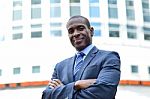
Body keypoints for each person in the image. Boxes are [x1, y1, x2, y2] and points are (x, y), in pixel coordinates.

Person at [42, 15, 121, 99]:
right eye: (71, 31)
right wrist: (77, 84)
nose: (75, 34)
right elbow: (46, 96)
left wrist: (63, 92)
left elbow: (104, 93)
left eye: (80, 28)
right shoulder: (60, 67)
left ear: (91, 31)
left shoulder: (109, 57)